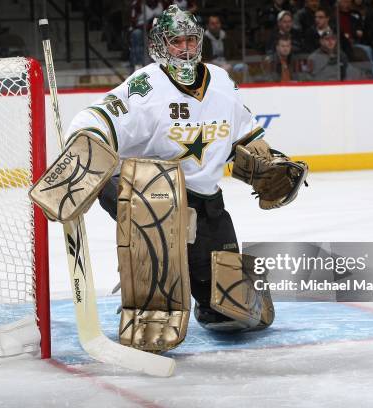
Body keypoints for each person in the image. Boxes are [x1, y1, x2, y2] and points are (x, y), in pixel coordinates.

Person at [47, 6, 307, 349]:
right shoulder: (145, 87)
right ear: (160, 45)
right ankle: (149, 296)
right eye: (176, 41)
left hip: (206, 201)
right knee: (159, 292)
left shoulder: (221, 81)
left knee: (234, 311)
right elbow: (93, 121)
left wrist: (265, 162)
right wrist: (84, 154)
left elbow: (245, 136)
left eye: (190, 40)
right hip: (149, 194)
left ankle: (197, 296)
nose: (184, 48)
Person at [129, 0, 164, 70]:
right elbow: (133, 21)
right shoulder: (138, 4)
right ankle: (138, 64)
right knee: (136, 34)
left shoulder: (163, 3)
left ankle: (159, 62)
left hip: (158, 29)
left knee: (159, 34)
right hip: (141, 28)